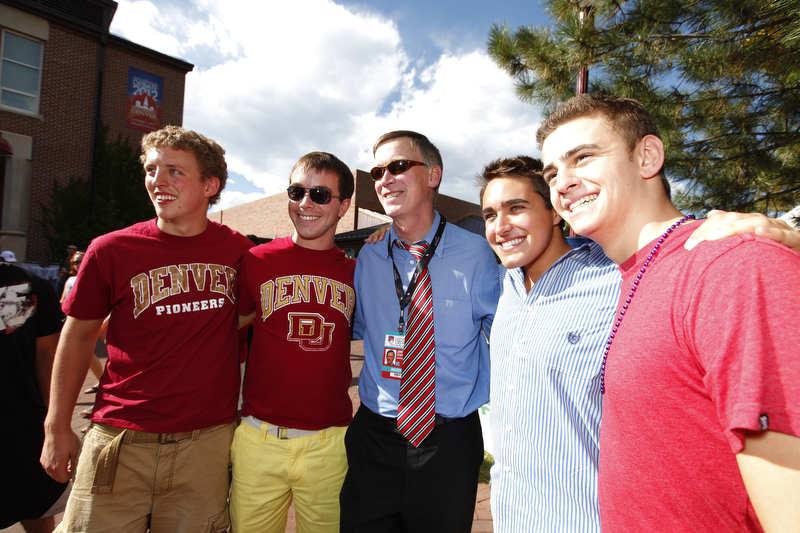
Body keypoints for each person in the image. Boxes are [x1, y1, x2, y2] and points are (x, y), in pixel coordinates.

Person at [538, 93, 800, 532]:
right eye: (551, 173)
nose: (562, 183)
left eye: (582, 157)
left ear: (647, 157)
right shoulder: (633, 275)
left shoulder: (732, 266)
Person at [40, 125, 253, 532]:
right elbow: (78, 336)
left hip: (206, 443)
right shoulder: (110, 249)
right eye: (152, 170)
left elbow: (250, 311)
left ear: (210, 185)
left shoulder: (239, 251)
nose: (158, 181)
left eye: (175, 171)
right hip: (119, 438)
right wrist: (56, 425)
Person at [340, 130, 500, 532]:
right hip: (374, 439)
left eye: (397, 166)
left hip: (449, 444)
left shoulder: (478, 254)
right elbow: (358, 329)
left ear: (433, 175)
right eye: (377, 171)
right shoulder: (369, 256)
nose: (384, 179)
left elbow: (506, 338)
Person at [231, 152, 356, 533]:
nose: (305, 203)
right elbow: (231, 327)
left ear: (343, 206)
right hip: (259, 437)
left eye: (320, 194)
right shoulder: (256, 260)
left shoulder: (359, 272)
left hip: (330, 442)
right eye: (296, 192)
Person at [1, 259, 70, 532]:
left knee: (37, 508)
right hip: (24, 422)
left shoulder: (30, 285)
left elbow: (46, 356)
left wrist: (56, 423)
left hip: (22, 423)